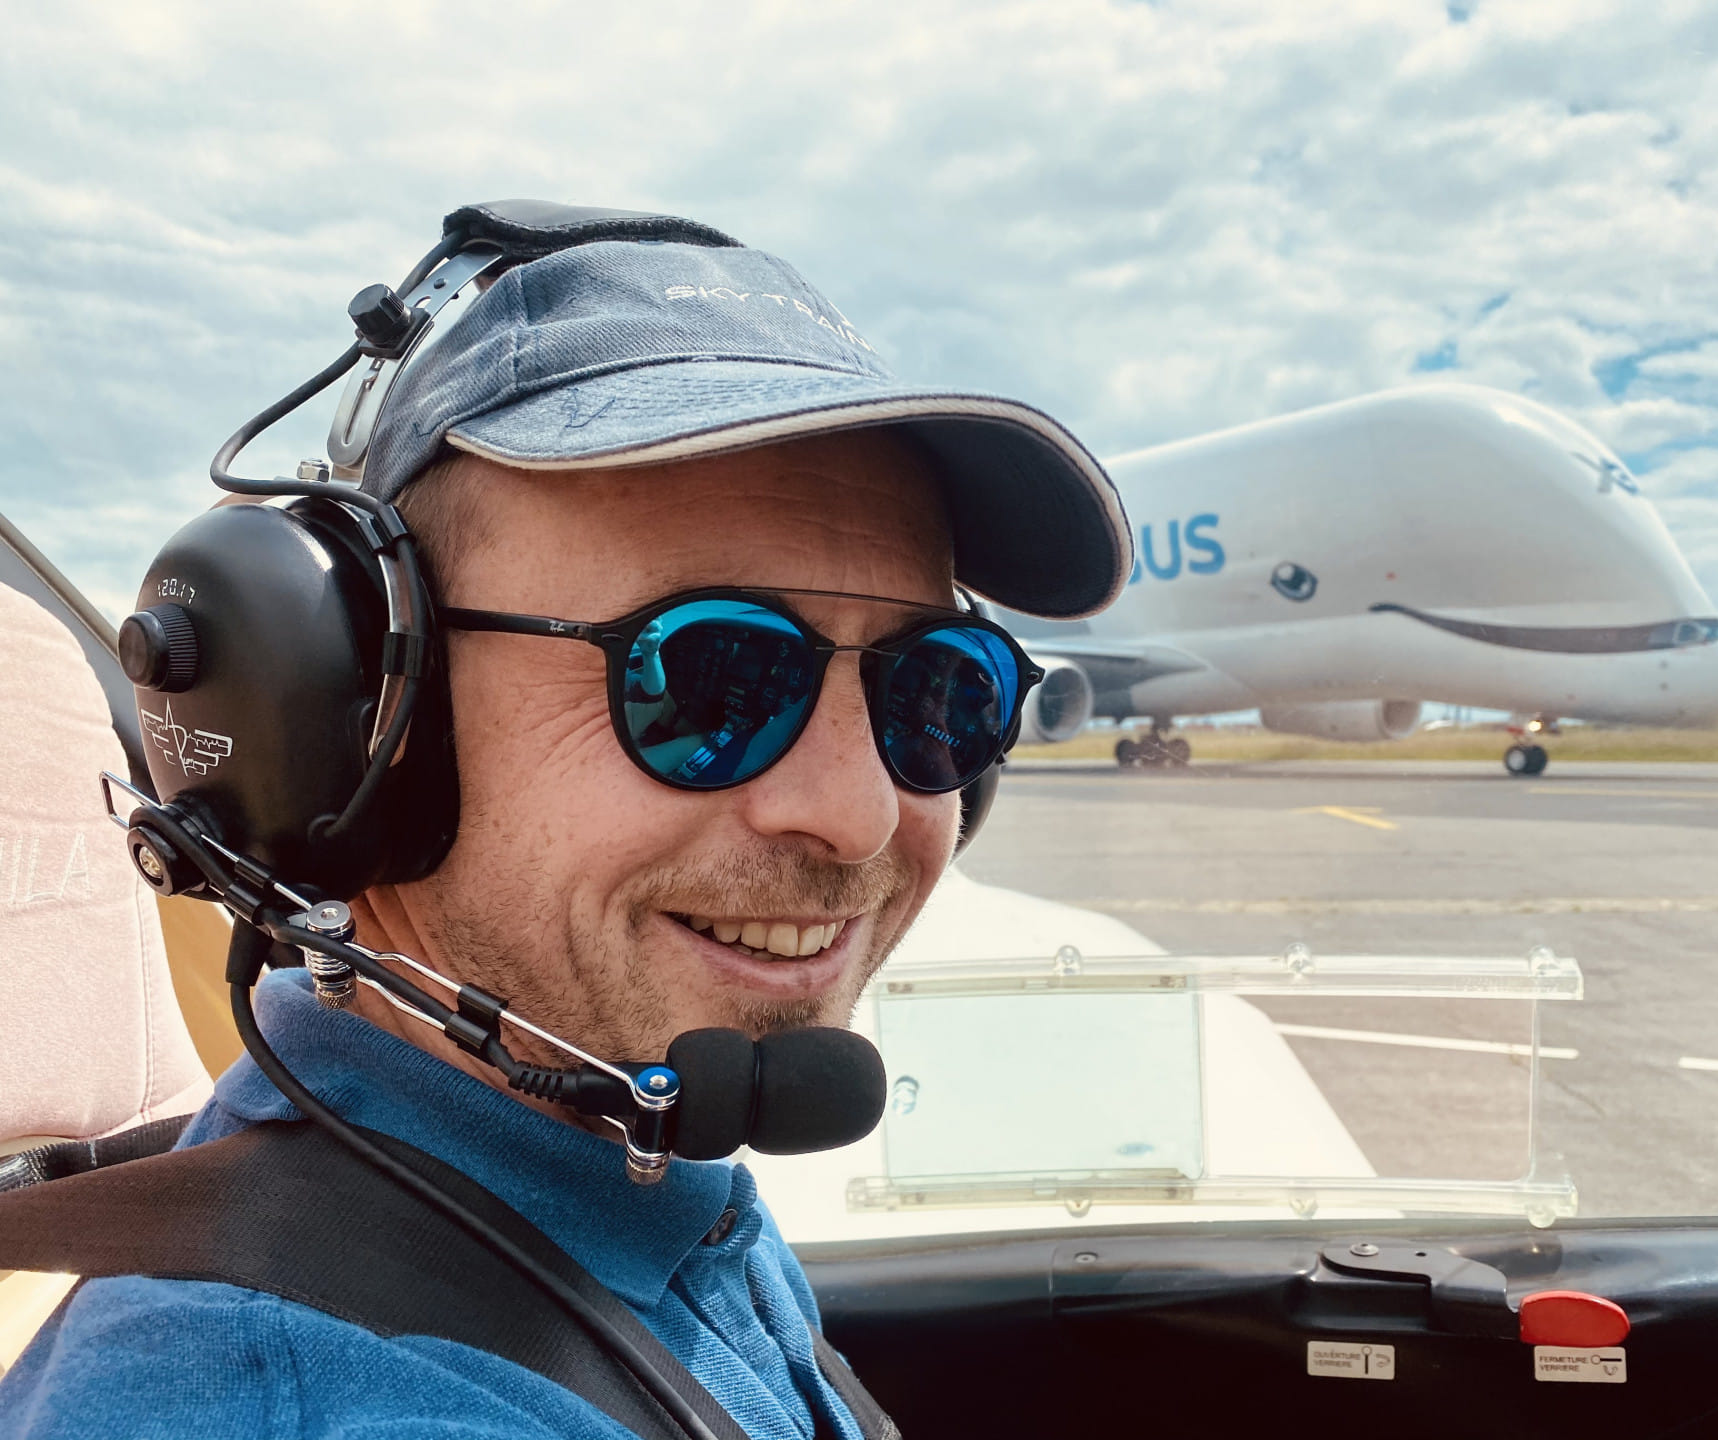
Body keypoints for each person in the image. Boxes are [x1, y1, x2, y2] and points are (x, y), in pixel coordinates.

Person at [0, 208, 1129, 1437]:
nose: (859, 815)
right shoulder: (336, 1401)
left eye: (938, 690)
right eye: (705, 680)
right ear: (367, 721)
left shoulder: (618, 1159)